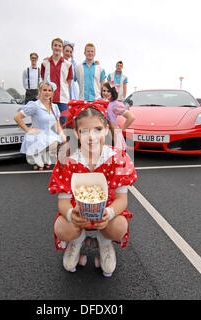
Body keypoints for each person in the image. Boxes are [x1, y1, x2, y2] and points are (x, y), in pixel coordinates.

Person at [48, 101, 138, 277]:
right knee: (62, 228)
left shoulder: (117, 157)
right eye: (84, 131)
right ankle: (77, 240)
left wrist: (110, 214)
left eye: (97, 129)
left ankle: (105, 242)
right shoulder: (67, 158)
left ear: (106, 129)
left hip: (105, 213)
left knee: (119, 226)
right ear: (76, 132)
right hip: (78, 213)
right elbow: (64, 201)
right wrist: (69, 215)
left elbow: (122, 199)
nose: (91, 137)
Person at [14, 80, 66, 170]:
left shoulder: (54, 107)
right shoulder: (34, 105)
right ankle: (36, 154)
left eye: (50, 90)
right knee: (52, 141)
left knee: (59, 141)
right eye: (44, 90)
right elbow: (17, 117)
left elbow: (57, 123)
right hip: (37, 134)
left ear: (53, 92)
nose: (47, 93)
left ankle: (43, 154)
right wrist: (28, 130)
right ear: (40, 91)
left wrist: (62, 133)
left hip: (49, 134)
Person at [41, 38, 74, 126]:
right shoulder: (45, 63)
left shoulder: (67, 64)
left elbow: (69, 81)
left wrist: (63, 91)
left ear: (62, 48)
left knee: (63, 125)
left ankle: (62, 140)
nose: (57, 48)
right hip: (48, 99)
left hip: (62, 99)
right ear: (52, 47)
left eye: (59, 46)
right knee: (48, 125)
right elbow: (43, 78)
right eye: (55, 45)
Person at [101, 82, 135, 150]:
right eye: (104, 90)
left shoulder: (116, 104)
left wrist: (121, 130)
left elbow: (131, 118)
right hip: (104, 135)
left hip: (114, 135)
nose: (105, 93)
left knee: (117, 157)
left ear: (113, 92)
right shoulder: (101, 102)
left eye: (108, 91)